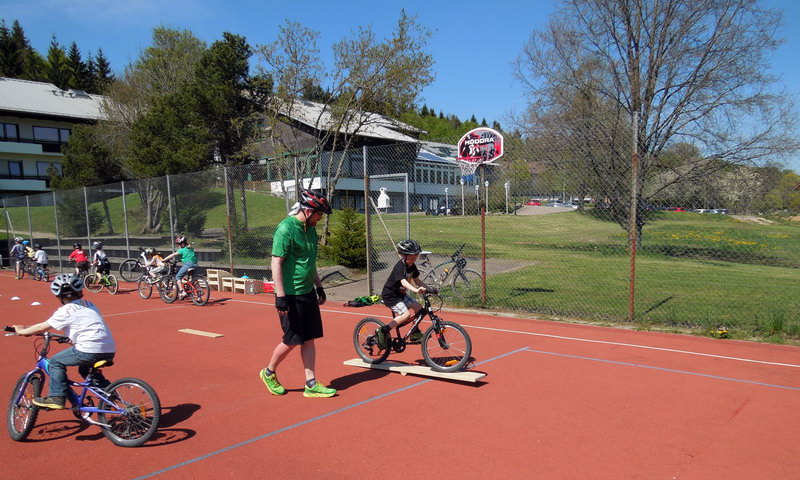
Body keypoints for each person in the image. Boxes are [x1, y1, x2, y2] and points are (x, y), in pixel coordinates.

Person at [259, 189, 336, 398]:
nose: (320, 218)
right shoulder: (285, 228)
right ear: (308, 210)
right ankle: (269, 372)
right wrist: (280, 296)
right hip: (290, 294)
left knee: (309, 338)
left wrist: (318, 286)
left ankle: (311, 383)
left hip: (307, 291)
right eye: (319, 214)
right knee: (292, 339)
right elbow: (276, 262)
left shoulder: (310, 230)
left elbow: (310, 263)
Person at [12, 273, 116, 410]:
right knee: (86, 369)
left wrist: (21, 331)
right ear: (80, 292)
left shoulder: (66, 310)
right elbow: (88, 326)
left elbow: (42, 327)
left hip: (89, 349)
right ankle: (108, 393)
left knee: (55, 362)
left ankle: (56, 397)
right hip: (108, 348)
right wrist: (71, 338)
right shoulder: (89, 305)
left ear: (58, 296)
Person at [377, 239, 434, 349]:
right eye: (412, 257)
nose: (414, 259)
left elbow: (418, 281)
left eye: (415, 257)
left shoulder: (412, 266)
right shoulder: (400, 266)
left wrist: (431, 289)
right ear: (404, 255)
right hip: (391, 295)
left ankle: (414, 333)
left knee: (420, 309)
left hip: (401, 295)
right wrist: (416, 290)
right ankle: (383, 330)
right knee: (406, 315)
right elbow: (403, 282)